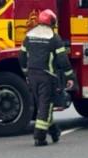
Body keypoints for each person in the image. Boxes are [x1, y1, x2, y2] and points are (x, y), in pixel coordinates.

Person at [19, 10, 76, 147]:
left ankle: (54, 131)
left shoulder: (29, 36)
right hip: (47, 76)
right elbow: (62, 60)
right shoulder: (54, 38)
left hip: (32, 76)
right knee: (46, 105)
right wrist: (70, 76)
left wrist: (26, 73)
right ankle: (39, 137)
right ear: (52, 22)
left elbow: (21, 57)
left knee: (42, 105)